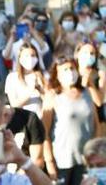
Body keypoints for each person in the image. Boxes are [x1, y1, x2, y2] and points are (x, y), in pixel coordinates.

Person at [43, 56, 98, 185]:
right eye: (65, 70)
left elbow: (95, 123)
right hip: (62, 160)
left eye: (72, 68)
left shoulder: (86, 92)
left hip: (85, 158)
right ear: (57, 75)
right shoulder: (52, 96)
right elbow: (44, 131)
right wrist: (49, 161)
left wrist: (95, 152)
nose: (70, 72)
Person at [0, 98, 46, 169]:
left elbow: (37, 161)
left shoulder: (29, 119)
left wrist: (16, 178)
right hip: (2, 175)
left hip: (27, 173)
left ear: (5, 115)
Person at [4, 42, 47, 117]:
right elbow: (14, 104)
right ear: (20, 58)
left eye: (33, 55)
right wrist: (30, 91)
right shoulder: (12, 78)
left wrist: (41, 90)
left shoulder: (44, 75)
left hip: (41, 117)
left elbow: (49, 101)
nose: (30, 58)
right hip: (22, 119)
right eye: (26, 56)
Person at [75, 41, 106, 109]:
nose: (89, 56)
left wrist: (90, 83)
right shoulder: (73, 73)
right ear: (78, 54)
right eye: (85, 52)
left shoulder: (100, 74)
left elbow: (99, 102)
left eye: (92, 53)